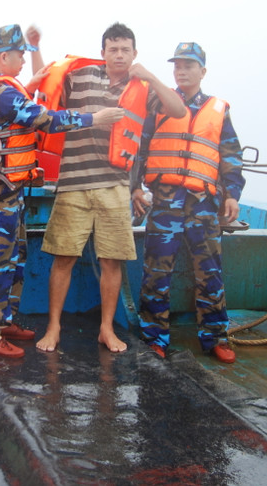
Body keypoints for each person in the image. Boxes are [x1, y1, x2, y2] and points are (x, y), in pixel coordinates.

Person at [0, 23, 124, 359]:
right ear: (4, 56)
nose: (24, 59)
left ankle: (4, 319)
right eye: (20, 54)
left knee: (15, 257)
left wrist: (29, 84)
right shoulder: (2, 93)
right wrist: (95, 118)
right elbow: (46, 120)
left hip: (8, 189)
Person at [35, 23, 187, 353]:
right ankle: (53, 327)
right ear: (103, 51)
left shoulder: (143, 89)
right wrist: (35, 47)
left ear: (134, 54)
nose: (119, 55)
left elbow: (178, 110)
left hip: (116, 186)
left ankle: (106, 328)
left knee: (112, 261)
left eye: (125, 50)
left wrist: (152, 76)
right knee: (64, 258)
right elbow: (44, 94)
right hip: (73, 183)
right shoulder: (81, 76)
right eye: (113, 49)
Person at [131, 42, 246, 364]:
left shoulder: (219, 109)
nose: (181, 71)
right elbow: (141, 148)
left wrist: (233, 194)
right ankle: (155, 338)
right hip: (166, 201)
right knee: (157, 271)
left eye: (188, 65)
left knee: (210, 271)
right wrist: (135, 188)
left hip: (204, 204)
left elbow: (231, 156)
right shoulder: (159, 103)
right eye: (177, 66)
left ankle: (215, 338)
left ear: (202, 71)